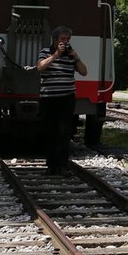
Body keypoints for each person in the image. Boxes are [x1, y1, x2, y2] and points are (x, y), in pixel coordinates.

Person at [36, 25, 87, 175]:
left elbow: (84, 72)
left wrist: (76, 57)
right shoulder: (45, 52)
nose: (65, 42)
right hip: (49, 98)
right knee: (51, 132)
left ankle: (63, 166)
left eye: (67, 39)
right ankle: (52, 166)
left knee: (65, 132)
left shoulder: (71, 55)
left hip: (67, 98)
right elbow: (40, 67)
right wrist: (56, 55)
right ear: (55, 40)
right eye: (62, 39)